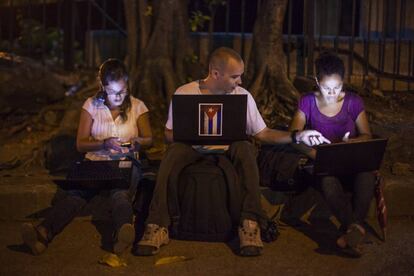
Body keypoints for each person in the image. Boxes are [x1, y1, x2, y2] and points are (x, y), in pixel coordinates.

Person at [134, 47, 329, 257]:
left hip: (228, 150)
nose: (240, 81)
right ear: (216, 74)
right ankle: (156, 226)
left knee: (245, 147)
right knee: (173, 152)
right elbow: (168, 134)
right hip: (192, 147)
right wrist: (194, 133)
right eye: (235, 76)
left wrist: (296, 136)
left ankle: (250, 225)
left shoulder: (242, 96)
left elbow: (263, 134)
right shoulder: (185, 93)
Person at [21, 58, 153, 255]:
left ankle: (123, 233)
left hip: (125, 162)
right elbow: (81, 144)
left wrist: (137, 142)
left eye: (123, 91)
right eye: (113, 92)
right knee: (76, 196)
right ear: (102, 86)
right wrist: (103, 143)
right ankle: (43, 233)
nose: (118, 97)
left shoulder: (137, 106)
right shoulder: (91, 105)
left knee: (120, 194)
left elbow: (149, 139)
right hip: (95, 162)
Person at [289, 51, 376, 257]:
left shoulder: (353, 102)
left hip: (351, 160)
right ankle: (353, 229)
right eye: (327, 88)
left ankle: (350, 233)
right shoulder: (307, 101)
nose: (332, 93)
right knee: (328, 180)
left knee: (367, 174)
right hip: (321, 161)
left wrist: (352, 142)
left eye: (337, 87)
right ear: (317, 81)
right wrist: (312, 150)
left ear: (343, 82)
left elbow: (367, 135)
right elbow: (294, 136)